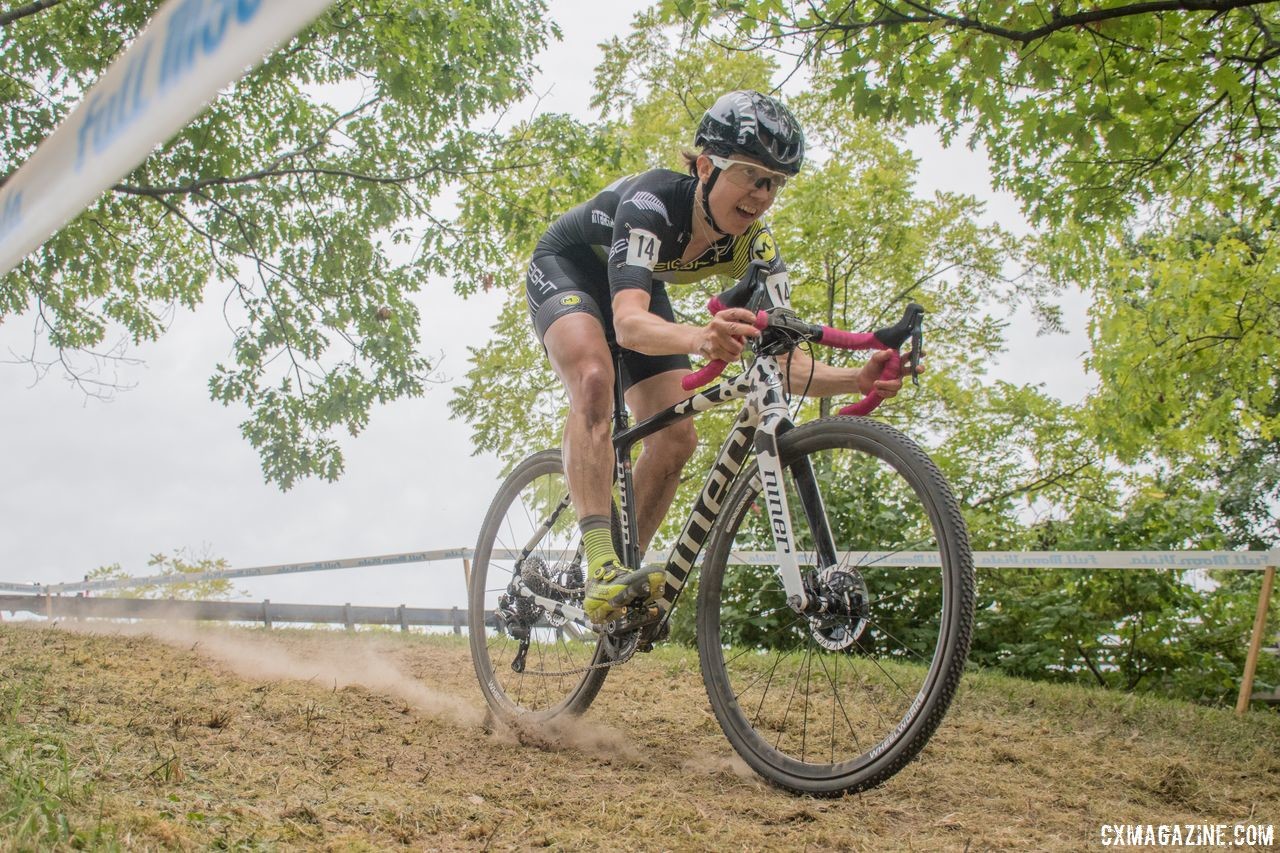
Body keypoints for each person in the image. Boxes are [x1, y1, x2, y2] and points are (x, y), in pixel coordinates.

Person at [525, 90, 911, 625]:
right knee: (593, 377)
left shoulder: (757, 248)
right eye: (751, 174)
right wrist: (700, 339)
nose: (762, 193)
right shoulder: (652, 202)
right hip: (571, 269)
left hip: (636, 286)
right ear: (706, 166)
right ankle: (599, 565)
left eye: (775, 182)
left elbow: (782, 363)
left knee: (676, 435)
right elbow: (629, 324)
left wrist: (855, 377)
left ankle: (620, 585)